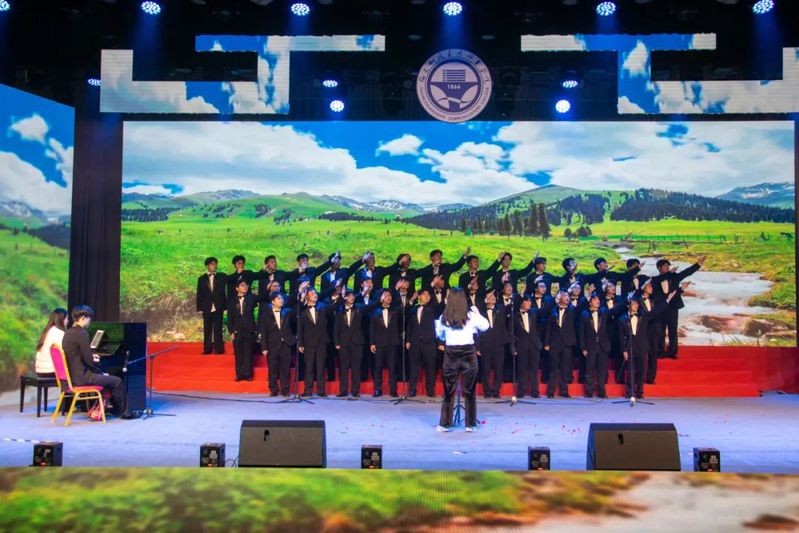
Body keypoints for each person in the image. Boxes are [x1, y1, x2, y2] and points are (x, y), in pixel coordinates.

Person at [61, 305, 137, 419]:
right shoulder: (82, 333)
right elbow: (89, 361)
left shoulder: (68, 332)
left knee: (108, 378)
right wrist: (98, 368)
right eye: (89, 319)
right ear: (83, 318)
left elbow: (78, 355)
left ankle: (115, 409)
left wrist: (93, 361)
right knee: (117, 381)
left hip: (72, 377)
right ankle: (126, 413)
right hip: (82, 378)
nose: (90, 322)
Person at [435, 288, 490, 432]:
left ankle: (445, 424)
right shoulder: (471, 315)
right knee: (469, 391)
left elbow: (440, 336)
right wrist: (477, 313)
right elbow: (486, 326)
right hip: (468, 354)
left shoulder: (444, 316)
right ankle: (470, 424)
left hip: (451, 354)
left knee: (448, 391)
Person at [618, 289, 680, 399]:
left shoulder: (643, 316)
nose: (635, 306)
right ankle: (630, 392)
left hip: (642, 347)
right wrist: (624, 350)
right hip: (630, 347)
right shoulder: (622, 319)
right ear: (629, 305)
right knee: (631, 371)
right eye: (633, 304)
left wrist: (667, 300)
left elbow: (656, 312)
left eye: (637, 304)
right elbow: (621, 336)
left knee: (641, 371)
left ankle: (639, 392)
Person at [650, 256, 705, 359]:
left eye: (668, 266)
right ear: (659, 268)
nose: (667, 267)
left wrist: (697, 265)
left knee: (673, 330)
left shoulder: (674, 276)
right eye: (665, 266)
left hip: (673, 307)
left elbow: (686, 272)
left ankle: (672, 352)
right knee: (660, 330)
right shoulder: (655, 279)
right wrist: (668, 274)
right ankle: (660, 352)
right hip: (660, 308)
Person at [578, 294, 625, 398]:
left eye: (598, 299)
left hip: (603, 345)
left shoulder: (604, 311)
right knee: (589, 369)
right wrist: (583, 347)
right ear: (590, 302)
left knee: (602, 370)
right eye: (595, 299)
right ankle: (589, 392)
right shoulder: (584, 314)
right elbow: (581, 332)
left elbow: (615, 310)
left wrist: (626, 301)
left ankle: (601, 392)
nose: (597, 301)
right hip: (590, 346)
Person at [334, 289, 378, 398]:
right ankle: (343, 391)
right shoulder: (339, 310)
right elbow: (336, 328)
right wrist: (336, 342)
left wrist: (379, 300)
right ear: (345, 297)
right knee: (343, 368)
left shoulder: (359, 307)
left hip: (357, 342)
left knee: (356, 367)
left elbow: (370, 306)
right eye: (349, 296)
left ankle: (355, 391)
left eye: (353, 296)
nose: (352, 297)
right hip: (343, 343)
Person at [297, 288, 338, 397]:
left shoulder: (323, 307)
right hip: (308, 342)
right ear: (307, 296)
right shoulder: (302, 311)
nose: (315, 295)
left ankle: (321, 391)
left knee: (321, 367)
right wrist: (300, 343)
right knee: (309, 367)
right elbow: (300, 329)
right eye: (312, 293)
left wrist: (341, 297)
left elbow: (335, 306)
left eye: (315, 293)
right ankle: (308, 390)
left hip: (321, 341)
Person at [259, 291, 296, 397]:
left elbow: (298, 310)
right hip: (272, 345)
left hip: (286, 344)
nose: (281, 300)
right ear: (273, 301)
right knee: (272, 368)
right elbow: (264, 332)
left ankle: (285, 390)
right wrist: (264, 347)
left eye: (282, 298)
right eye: (279, 299)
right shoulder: (265, 316)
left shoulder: (287, 312)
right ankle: (273, 389)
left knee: (285, 368)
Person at [405, 289, 439, 398]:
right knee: (414, 367)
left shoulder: (432, 308)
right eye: (424, 294)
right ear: (419, 296)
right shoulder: (413, 309)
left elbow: (440, 307)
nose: (427, 296)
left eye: (428, 294)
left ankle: (430, 390)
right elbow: (409, 325)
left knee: (430, 367)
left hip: (429, 342)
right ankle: (412, 389)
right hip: (415, 342)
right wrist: (408, 340)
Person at [543, 291, 578, 398]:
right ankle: (551, 391)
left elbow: (580, 308)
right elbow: (548, 328)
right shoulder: (553, 310)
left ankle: (564, 391)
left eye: (568, 296)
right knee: (553, 368)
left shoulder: (572, 310)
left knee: (565, 368)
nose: (567, 297)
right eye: (564, 295)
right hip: (554, 342)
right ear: (559, 298)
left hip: (567, 343)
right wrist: (546, 343)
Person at [476, 291, 509, 399]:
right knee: (485, 369)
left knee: (498, 369)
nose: (492, 297)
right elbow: (478, 330)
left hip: (498, 344)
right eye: (490, 296)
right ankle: (487, 391)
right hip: (485, 344)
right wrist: (478, 347)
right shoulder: (481, 312)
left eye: (494, 296)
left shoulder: (501, 309)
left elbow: (510, 306)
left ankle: (496, 391)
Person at [369, 290, 401, 397]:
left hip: (392, 343)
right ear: (381, 298)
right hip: (379, 343)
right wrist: (372, 343)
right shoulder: (375, 312)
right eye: (386, 295)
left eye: (390, 295)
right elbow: (372, 329)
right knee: (378, 367)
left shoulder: (395, 311)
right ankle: (377, 389)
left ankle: (393, 390)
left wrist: (396, 290)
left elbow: (400, 305)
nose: (389, 297)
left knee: (392, 367)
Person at [227, 280, 258, 382]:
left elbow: (262, 297)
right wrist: (231, 331)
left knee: (248, 352)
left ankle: (248, 374)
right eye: (242, 285)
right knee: (238, 353)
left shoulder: (251, 297)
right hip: (237, 330)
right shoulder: (232, 300)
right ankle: (239, 374)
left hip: (249, 329)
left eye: (246, 285)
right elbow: (230, 316)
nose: (245, 287)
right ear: (237, 288)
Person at [512, 295, 543, 399]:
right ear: (521, 303)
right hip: (521, 345)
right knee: (522, 369)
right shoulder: (514, 315)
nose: (529, 303)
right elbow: (511, 332)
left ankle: (535, 391)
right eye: (527, 301)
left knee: (534, 369)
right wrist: (513, 347)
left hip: (534, 344)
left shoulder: (534, 312)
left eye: (530, 301)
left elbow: (539, 326)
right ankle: (521, 391)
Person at [196, 257, 227, 354]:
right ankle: (207, 349)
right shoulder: (201, 279)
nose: (215, 266)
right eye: (212, 264)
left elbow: (231, 281)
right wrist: (199, 307)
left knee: (218, 328)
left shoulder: (221, 276)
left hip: (218, 306)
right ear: (207, 266)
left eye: (215, 264)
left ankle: (219, 349)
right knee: (207, 329)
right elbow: (199, 293)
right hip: (206, 307)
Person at [34, 308, 68, 377]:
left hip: (39, 370)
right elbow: (64, 353)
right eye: (67, 318)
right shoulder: (59, 333)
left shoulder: (47, 331)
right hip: (50, 370)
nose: (68, 321)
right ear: (62, 319)